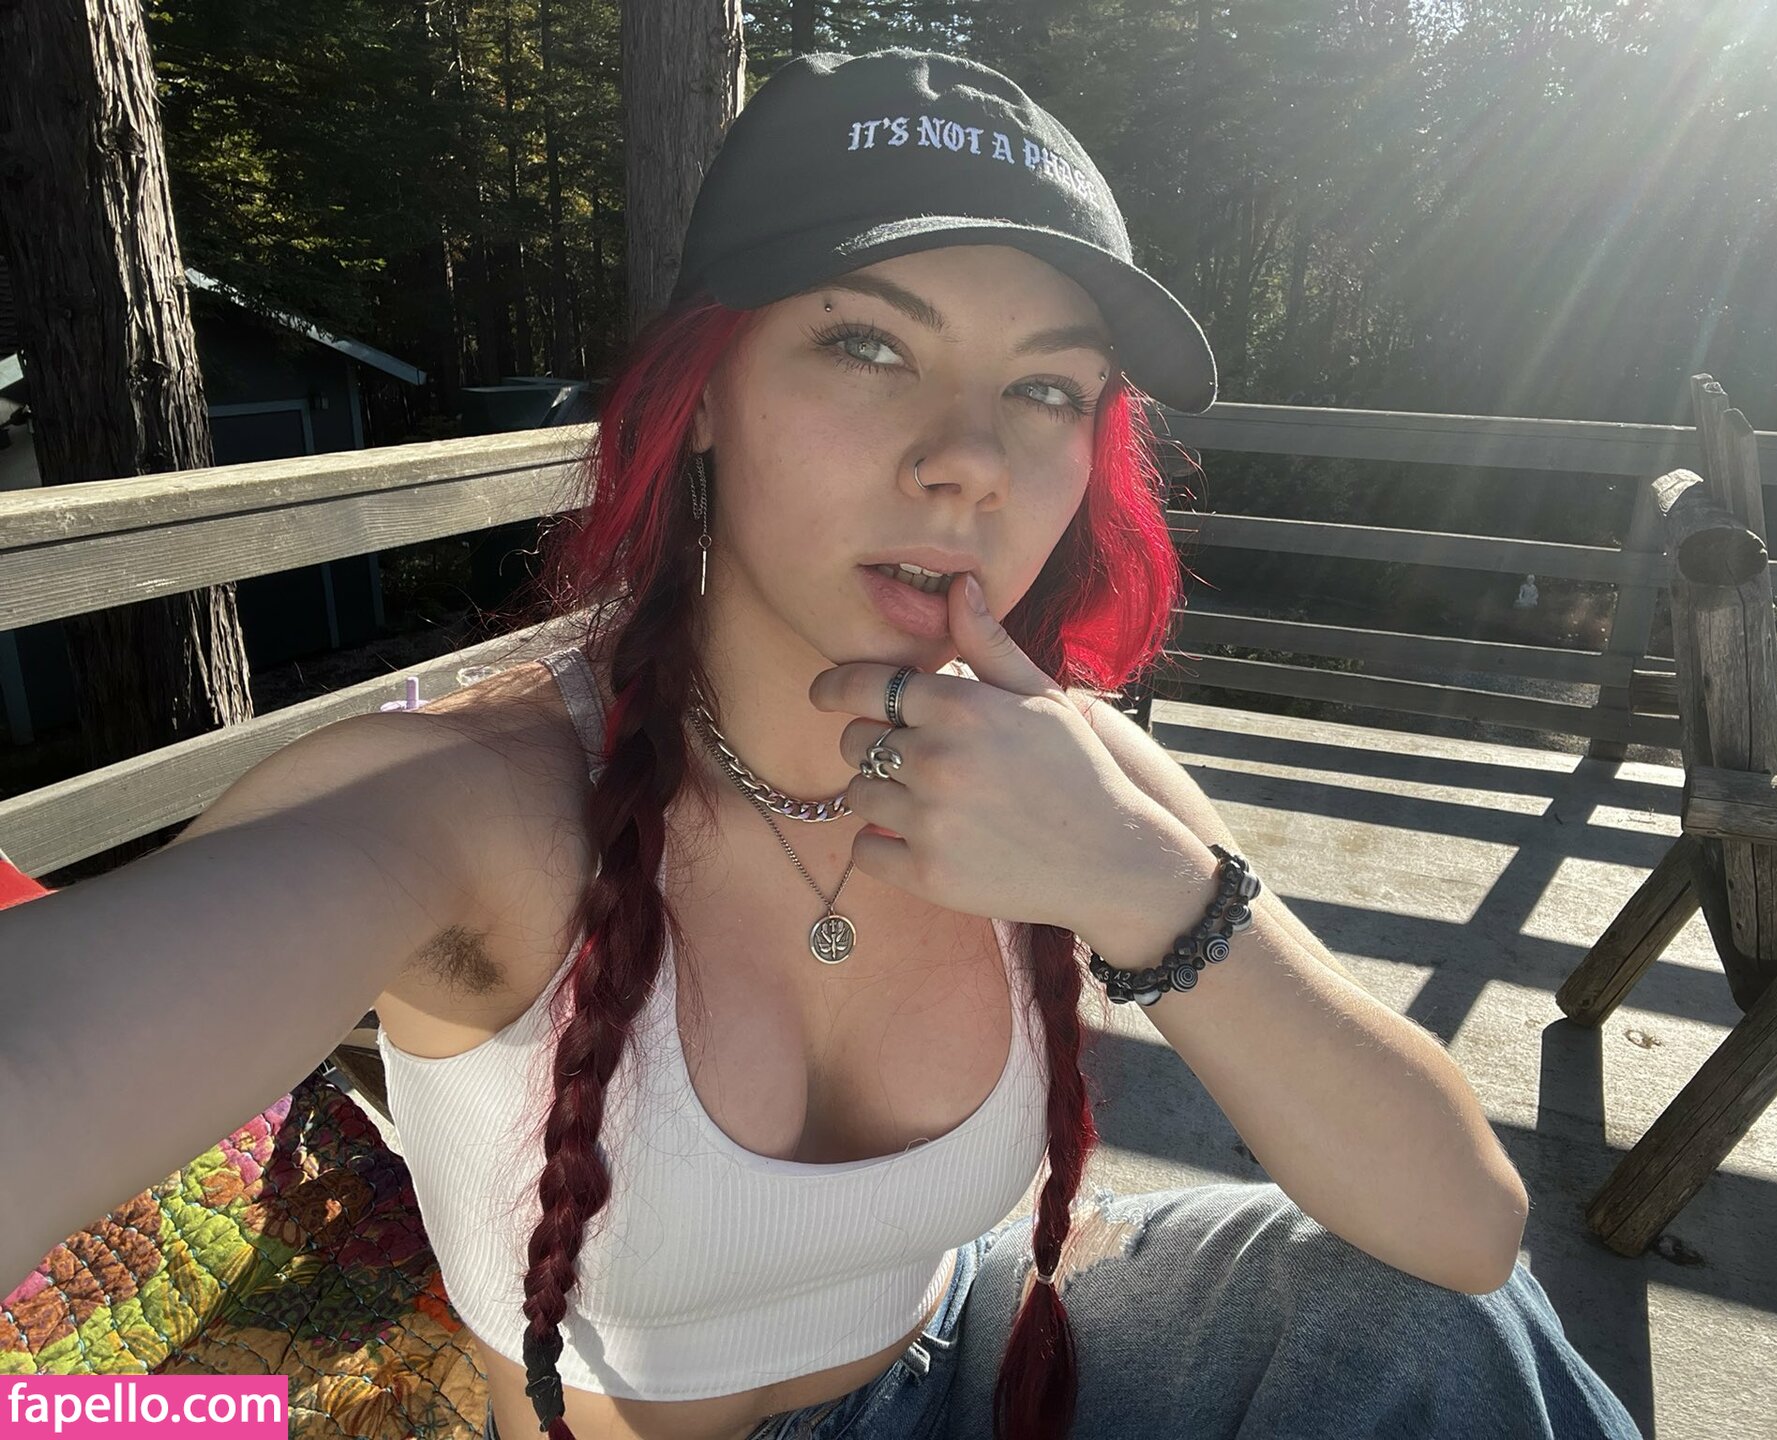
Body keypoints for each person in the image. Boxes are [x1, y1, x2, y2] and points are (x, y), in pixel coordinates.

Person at [0, 47, 1644, 1440]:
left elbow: (1469, 1233)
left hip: (974, 1355)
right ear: (704, 393)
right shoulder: (480, 809)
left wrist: (1148, 888)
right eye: (869, 345)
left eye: (1049, 390)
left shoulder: (1063, 771)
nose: (968, 460)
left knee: (1427, 1330)